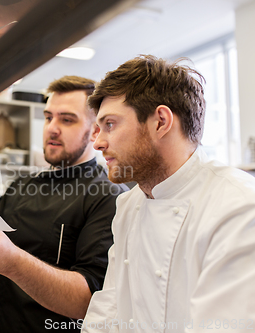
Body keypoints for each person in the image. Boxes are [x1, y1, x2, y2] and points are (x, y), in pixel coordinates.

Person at [82, 55, 255, 332]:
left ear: (161, 122)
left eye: (110, 125)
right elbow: (109, 307)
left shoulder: (239, 207)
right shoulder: (128, 204)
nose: (99, 143)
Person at [0, 76, 127, 332]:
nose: (52, 128)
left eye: (67, 119)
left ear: (95, 130)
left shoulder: (109, 196)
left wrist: (11, 262)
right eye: (49, 117)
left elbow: (90, 300)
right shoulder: (22, 186)